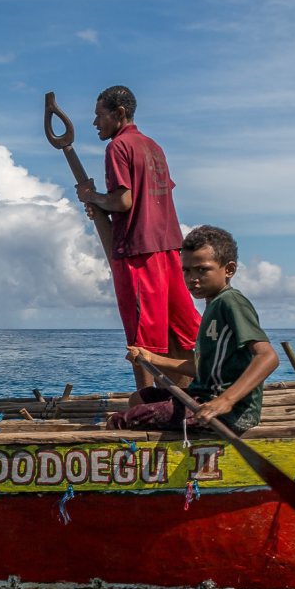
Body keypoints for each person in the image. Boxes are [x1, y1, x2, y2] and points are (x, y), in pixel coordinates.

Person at [75, 85, 201, 392]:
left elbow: (124, 201)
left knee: (141, 333)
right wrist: (102, 205)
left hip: (138, 252)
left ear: (119, 114)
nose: (95, 124)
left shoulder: (118, 147)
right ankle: (192, 390)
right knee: (181, 329)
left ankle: (147, 401)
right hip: (170, 248)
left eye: (99, 115)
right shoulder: (153, 146)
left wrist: (93, 197)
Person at [109, 226, 278, 434]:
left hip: (227, 412)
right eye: (187, 271)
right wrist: (152, 358)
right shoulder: (213, 305)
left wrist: (225, 401)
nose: (192, 278)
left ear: (229, 270)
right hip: (203, 396)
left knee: (117, 422)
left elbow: (267, 357)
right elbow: (203, 368)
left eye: (202, 269)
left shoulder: (232, 302)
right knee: (139, 398)